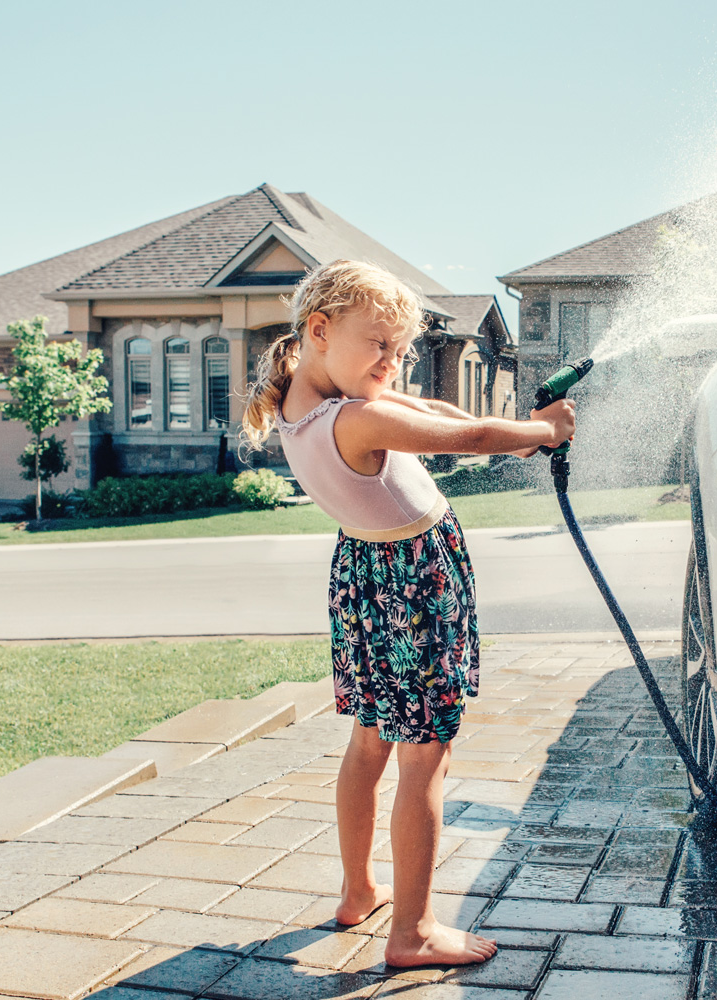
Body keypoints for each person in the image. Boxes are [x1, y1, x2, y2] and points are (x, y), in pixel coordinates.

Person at [240, 259, 575, 967]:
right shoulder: (357, 419)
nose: (392, 363)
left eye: (401, 350)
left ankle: (359, 890)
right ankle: (413, 932)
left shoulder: (312, 409)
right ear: (321, 331)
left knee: (371, 741)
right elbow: (472, 440)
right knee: (427, 756)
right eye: (380, 346)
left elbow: (440, 413)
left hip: (367, 580)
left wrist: (507, 420)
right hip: (412, 587)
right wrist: (541, 432)